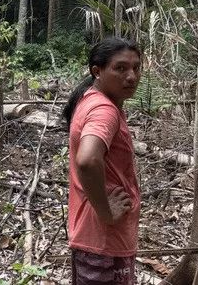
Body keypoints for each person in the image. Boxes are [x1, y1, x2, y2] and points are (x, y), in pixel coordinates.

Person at [63, 37, 142, 285]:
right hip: (103, 240)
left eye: (136, 68)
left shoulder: (92, 99)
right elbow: (87, 159)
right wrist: (105, 212)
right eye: (120, 68)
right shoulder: (104, 111)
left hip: (95, 239)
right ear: (97, 71)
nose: (131, 76)